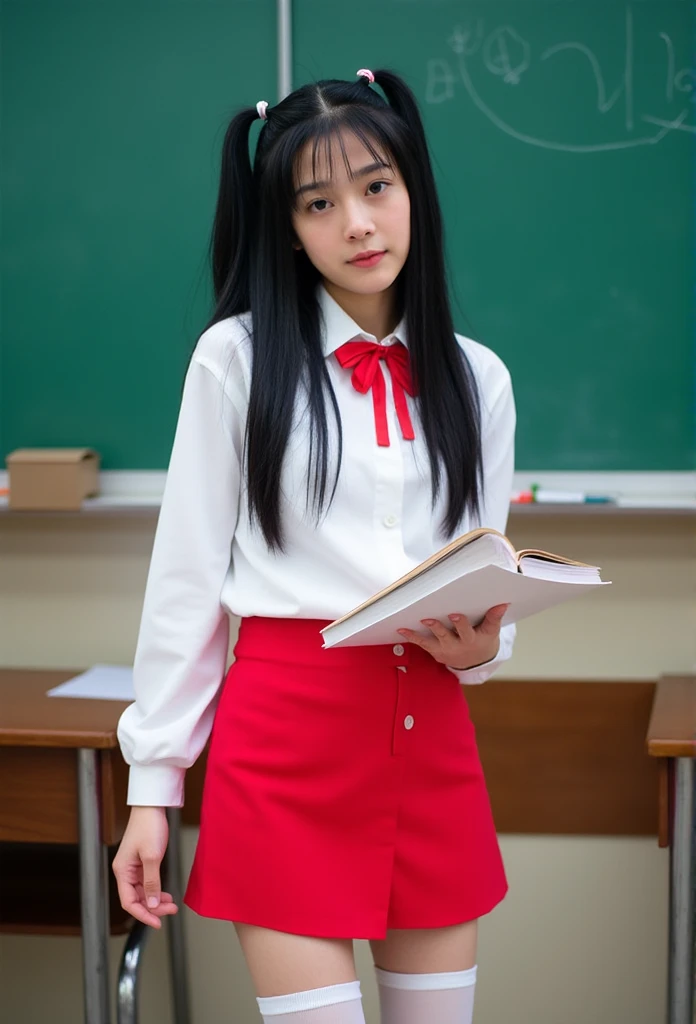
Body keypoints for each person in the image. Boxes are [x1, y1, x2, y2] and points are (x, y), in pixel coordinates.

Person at [113, 67, 516, 1024]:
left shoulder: (478, 378)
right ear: (289, 229)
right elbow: (187, 581)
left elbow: (486, 572)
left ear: (413, 187)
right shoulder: (237, 360)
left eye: (377, 187)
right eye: (320, 203)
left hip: (430, 730)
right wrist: (152, 788)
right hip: (285, 740)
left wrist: (488, 646)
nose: (359, 224)